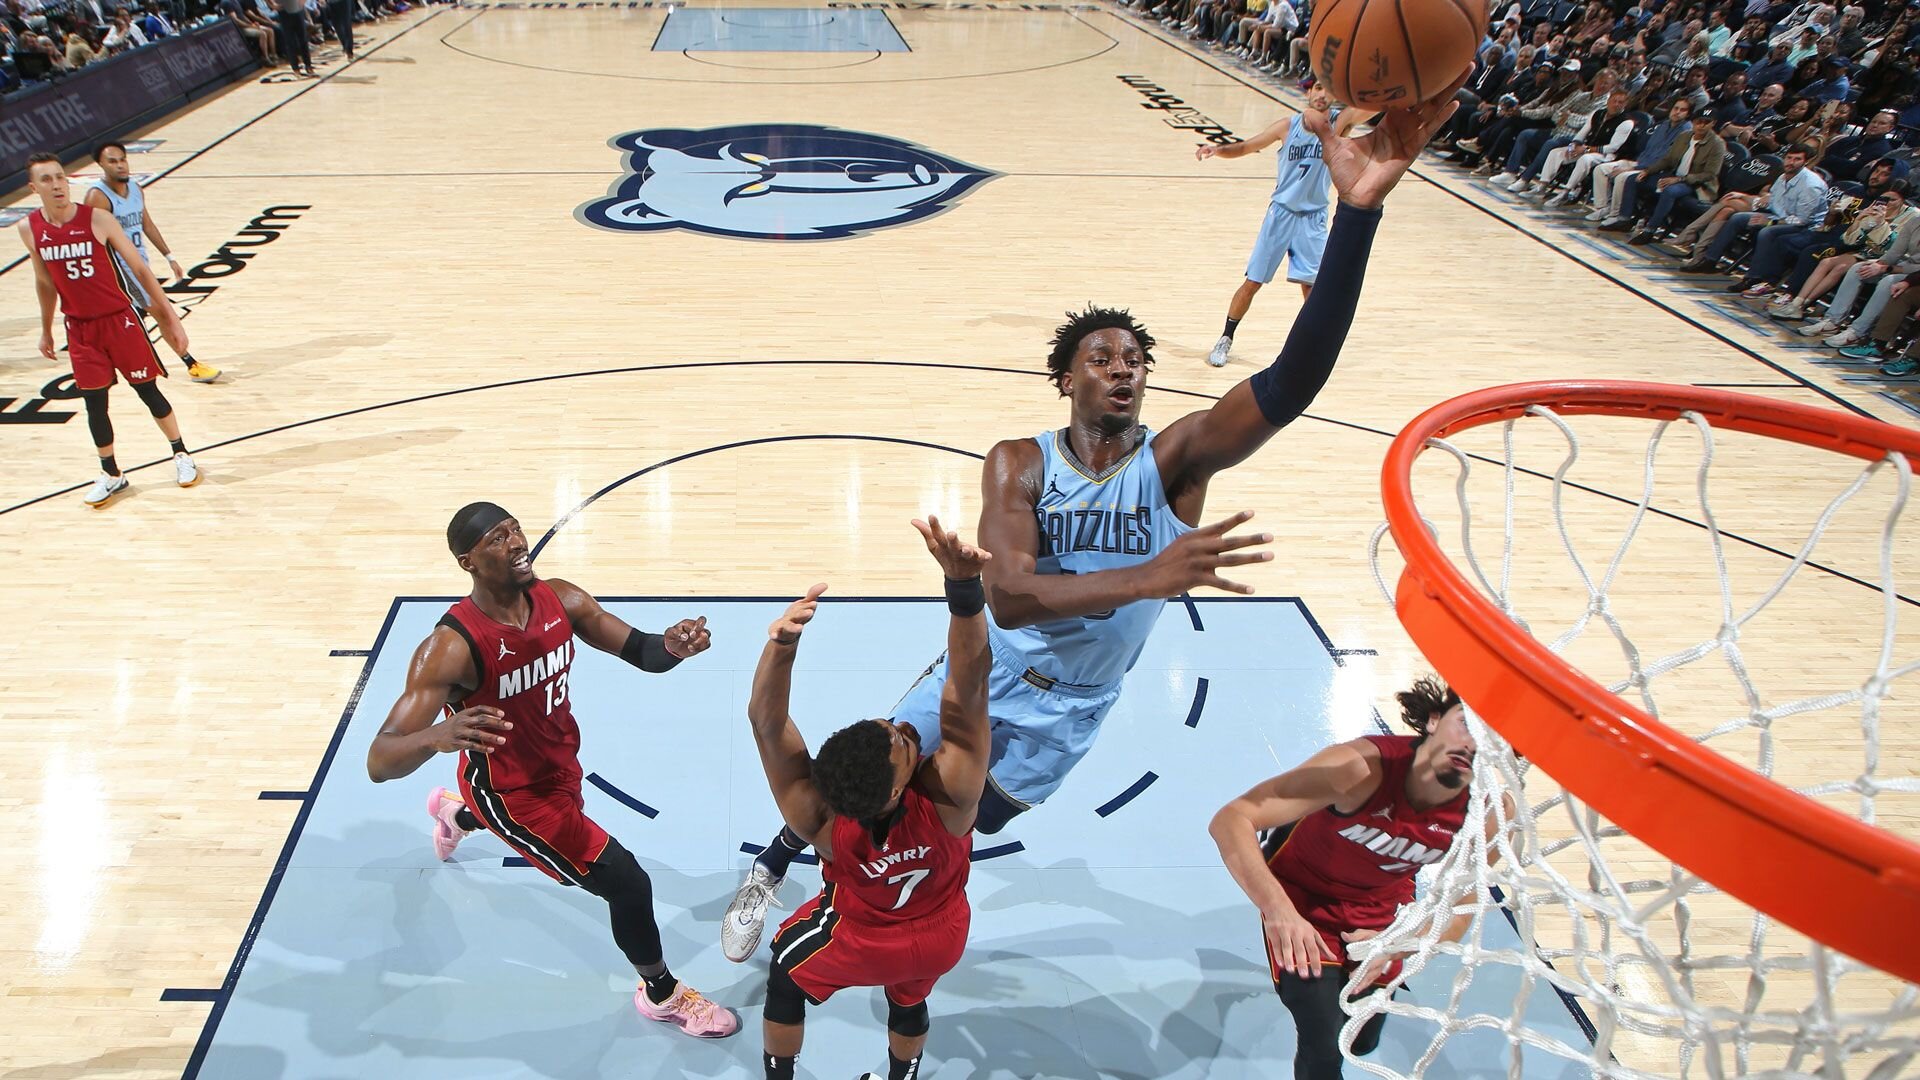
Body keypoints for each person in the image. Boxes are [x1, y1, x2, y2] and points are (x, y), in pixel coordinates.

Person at [722, 75, 1473, 963]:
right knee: (862, 793)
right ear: (1066, 378)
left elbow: (1295, 379)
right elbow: (1006, 599)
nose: (1124, 369)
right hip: (980, 677)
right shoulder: (1022, 460)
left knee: (938, 837)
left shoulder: (1177, 460)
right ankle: (773, 864)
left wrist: (1358, 215)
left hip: (1069, 714)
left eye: (1136, 359)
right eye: (1102, 357)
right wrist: (1151, 578)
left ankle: (837, 906)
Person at [364, 503, 739, 1039]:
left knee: (596, 867)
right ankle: (662, 993)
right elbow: (380, 760)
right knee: (628, 883)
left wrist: (673, 647)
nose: (517, 542)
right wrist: (436, 736)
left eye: (516, 528)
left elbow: (641, 651)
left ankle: (455, 815)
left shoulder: (561, 598)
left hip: (561, 765)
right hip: (513, 794)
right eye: (498, 538)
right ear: (468, 561)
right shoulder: (450, 648)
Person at [747, 518, 992, 1080]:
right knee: (909, 1000)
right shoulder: (952, 800)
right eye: (903, 743)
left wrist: (781, 645)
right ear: (902, 788)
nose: (901, 726)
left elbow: (767, 723)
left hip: (857, 938)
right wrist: (963, 590)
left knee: (785, 978)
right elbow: (970, 683)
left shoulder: (821, 822)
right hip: (944, 935)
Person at [1209, 676, 1511, 1080]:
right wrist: (1278, 910)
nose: (1474, 745)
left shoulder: (1490, 813)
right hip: (1302, 894)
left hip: (1381, 910)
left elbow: (1462, 905)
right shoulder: (1358, 768)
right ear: (1435, 719)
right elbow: (1231, 819)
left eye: (1493, 743)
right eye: (1468, 725)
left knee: (1360, 1040)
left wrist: (1406, 942)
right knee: (1322, 1035)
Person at [16, 152, 198, 508]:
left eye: (60, 177)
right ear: (33, 187)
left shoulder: (97, 219)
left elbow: (142, 272)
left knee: (148, 392)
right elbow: (44, 281)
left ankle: (180, 453)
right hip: (80, 329)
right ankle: (112, 473)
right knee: (95, 404)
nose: (56, 185)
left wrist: (169, 316)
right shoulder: (29, 229)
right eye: (47, 180)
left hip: (120, 320)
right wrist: (46, 330)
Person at [1197, 83, 1338, 367]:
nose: (1322, 95)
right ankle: (1226, 337)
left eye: (1329, 90)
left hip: (1313, 218)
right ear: (1309, 92)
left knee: (1312, 289)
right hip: (1281, 213)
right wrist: (1218, 149)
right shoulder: (1287, 126)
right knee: (1253, 282)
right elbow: (1248, 146)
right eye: (1318, 88)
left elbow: (1365, 111)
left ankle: (1313, 348)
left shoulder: (1337, 124)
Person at [84, 142, 222, 383]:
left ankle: (107, 355)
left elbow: (146, 224)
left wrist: (169, 256)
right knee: (162, 313)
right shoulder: (97, 197)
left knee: (144, 316)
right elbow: (90, 240)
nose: (120, 165)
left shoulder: (136, 189)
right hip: (120, 271)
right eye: (112, 161)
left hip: (141, 265)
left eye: (122, 159)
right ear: (101, 165)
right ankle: (190, 363)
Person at [273, 0, 314, 75]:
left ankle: (308, 65)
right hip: (284, 11)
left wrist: (303, 2)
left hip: (297, 9)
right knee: (290, 41)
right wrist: (272, 5)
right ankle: (295, 68)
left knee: (303, 40)